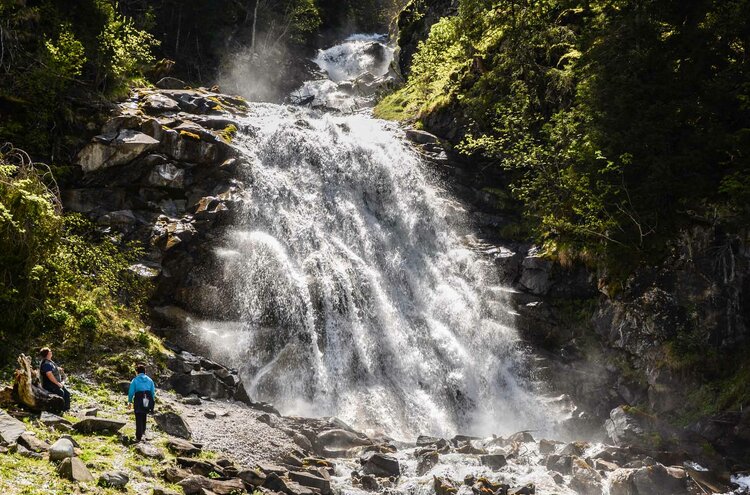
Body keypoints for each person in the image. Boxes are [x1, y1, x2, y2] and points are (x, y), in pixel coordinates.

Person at [127, 363, 155, 442]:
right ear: (145, 372)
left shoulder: (135, 380)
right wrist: (152, 403)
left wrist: (129, 401)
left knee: (138, 415)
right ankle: (143, 432)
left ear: (137, 372)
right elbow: (153, 392)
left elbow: (131, 392)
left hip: (138, 399)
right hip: (147, 398)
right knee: (144, 414)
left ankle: (138, 436)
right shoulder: (150, 380)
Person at [38, 347, 71, 411]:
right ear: (47, 354)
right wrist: (57, 383)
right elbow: (49, 375)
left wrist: (58, 369)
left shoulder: (49, 361)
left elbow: (52, 368)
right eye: (50, 351)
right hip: (50, 384)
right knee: (61, 393)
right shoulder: (46, 364)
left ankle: (66, 409)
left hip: (56, 383)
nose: (51, 352)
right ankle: (59, 410)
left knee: (67, 393)